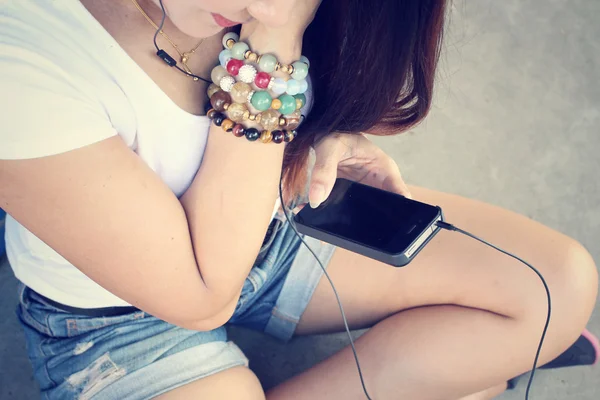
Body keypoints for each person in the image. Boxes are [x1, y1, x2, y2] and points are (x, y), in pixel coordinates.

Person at [0, 0, 597, 399]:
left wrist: (321, 134)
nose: (255, 5)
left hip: (278, 222)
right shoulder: (19, 49)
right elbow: (204, 295)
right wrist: (274, 48)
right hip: (113, 321)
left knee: (556, 286)